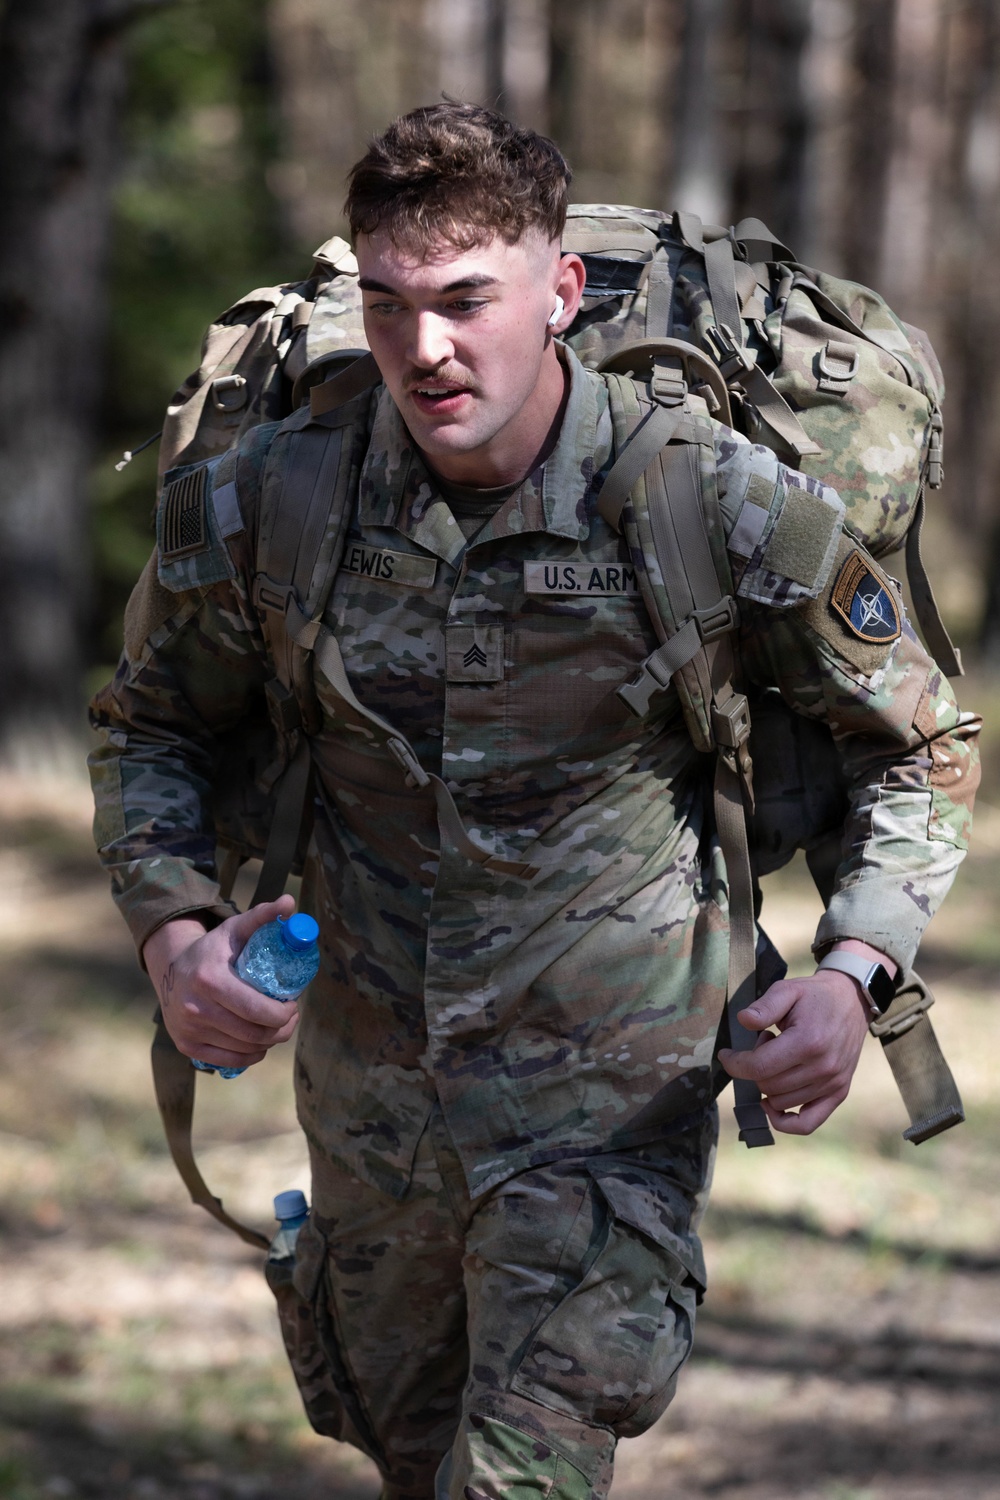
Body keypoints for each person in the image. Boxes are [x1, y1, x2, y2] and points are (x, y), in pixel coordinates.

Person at [89, 103, 979, 1500]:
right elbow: (150, 726)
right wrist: (173, 933)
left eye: (463, 303)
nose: (423, 350)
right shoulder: (276, 501)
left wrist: (856, 970)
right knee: (403, 1451)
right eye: (387, 307)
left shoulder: (710, 501)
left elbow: (919, 742)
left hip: (606, 1122)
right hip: (369, 1109)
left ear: (560, 292)